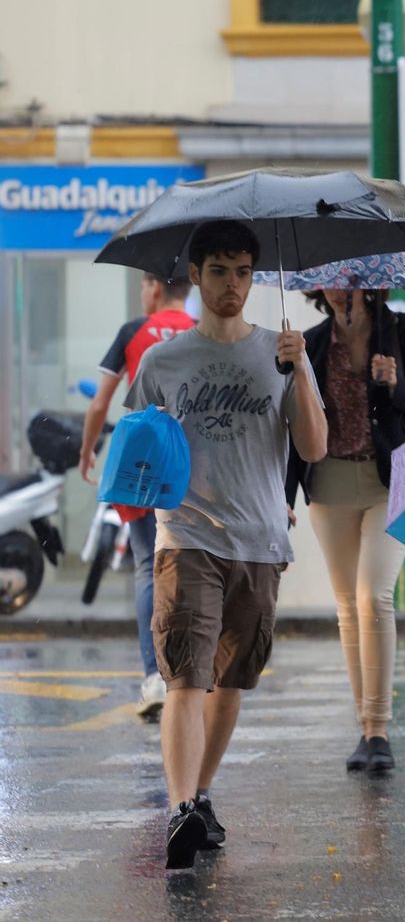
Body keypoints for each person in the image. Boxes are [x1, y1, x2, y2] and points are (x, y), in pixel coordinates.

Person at [126, 221, 327, 869]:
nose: (232, 284)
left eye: (243, 271)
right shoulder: (164, 361)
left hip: (260, 541)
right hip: (185, 538)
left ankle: (201, 792)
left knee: (232, 680)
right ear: (197, 275)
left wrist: (299, 372)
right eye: (219, 271)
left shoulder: (282, 351)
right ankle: (182, 808)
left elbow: (315, 446)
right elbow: (138, 444)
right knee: (186, 676)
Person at [285, 288, 405, 774]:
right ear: (317, 287)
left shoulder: (401, 331)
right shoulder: (309, 343)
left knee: (374, 597)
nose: (340, 287)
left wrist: (396, 384)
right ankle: (364, 729)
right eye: (329, 279)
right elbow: (291, 423)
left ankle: (378, 729)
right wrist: (281, 498)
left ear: (369, 281)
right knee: (348, 606)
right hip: (329, 483)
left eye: (349, 277)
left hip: (389, 482)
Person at [79, 272, 195, 720]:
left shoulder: (134, 332)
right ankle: (193, 675)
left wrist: (88, 451)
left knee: (149, 566)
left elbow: (99, 402)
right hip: (193, 466)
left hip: (143, 466)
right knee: (195, 565)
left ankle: (154, 678)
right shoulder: (200, 331)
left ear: (153, 286)